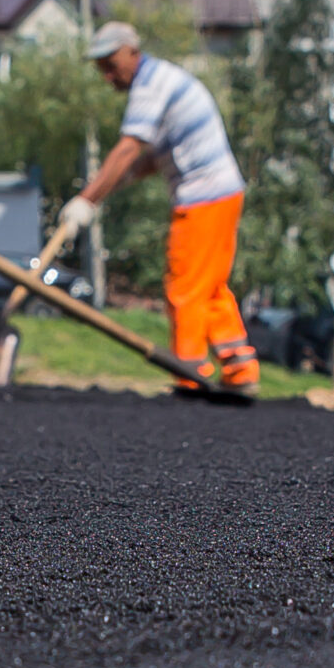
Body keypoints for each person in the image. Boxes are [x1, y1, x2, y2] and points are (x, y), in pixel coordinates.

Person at [64, 21, 259, 401]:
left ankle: (189, 375)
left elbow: (129, 149)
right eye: (100, 68)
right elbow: (148, 160)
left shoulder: (150, 85)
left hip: (204, 196)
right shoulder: (164, 79)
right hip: (223, 192)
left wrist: (87, 200)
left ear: (132, 52)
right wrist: (114, 184)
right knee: (210, 287)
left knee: (184, 287)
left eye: (110, 63)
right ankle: (239, 370)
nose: (107, 75)